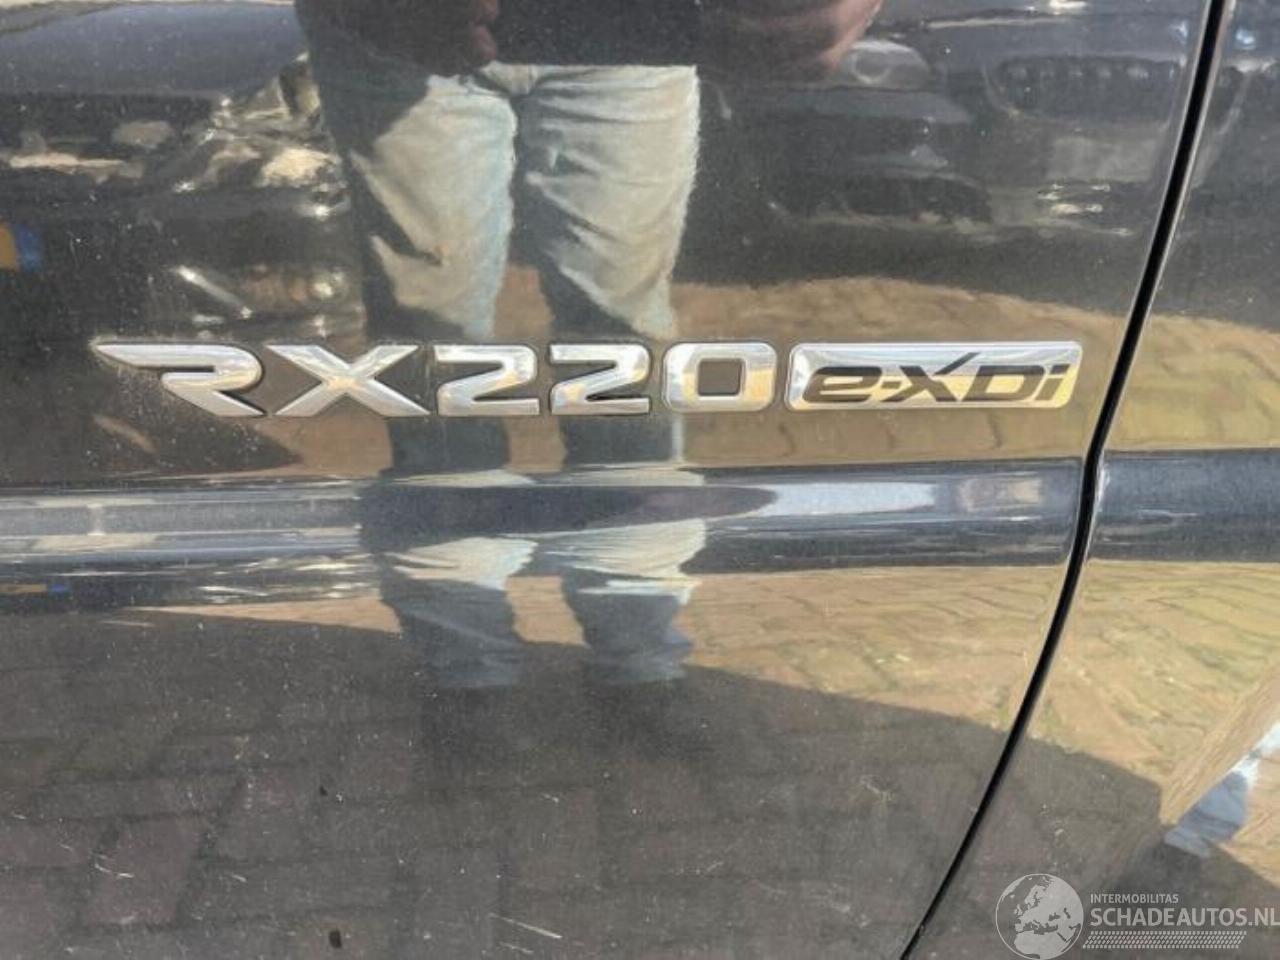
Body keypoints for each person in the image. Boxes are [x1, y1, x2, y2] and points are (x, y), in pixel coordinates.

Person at [295, 0, 879, 710]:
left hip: (628, 36)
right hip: (409, 29)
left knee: (609, 346)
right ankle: (478, 670)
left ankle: (623, 660)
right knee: (443, 347)